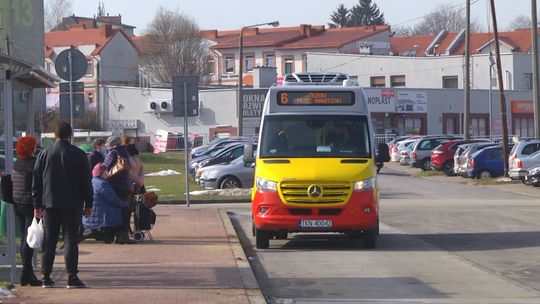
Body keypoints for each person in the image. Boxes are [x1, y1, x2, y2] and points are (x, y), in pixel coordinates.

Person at [33, 122, 93, 288]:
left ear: (55, 135)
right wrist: (89, 203)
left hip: (49, 203)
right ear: (70, 135)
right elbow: (86, 182)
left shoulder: (44, 154)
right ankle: (72, 277)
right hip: (72, 203)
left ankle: (45, 276)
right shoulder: (79, 154)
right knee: (70, 240)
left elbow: (36, 181)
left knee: (49, 241)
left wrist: (37, 204)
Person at [12, 136, 41, 286]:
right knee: (29, 240)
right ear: (31, 148)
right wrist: (38, 206)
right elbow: (35, 187)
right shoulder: (33, 164)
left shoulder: (16, 164)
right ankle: (26, 273)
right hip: (30, 205)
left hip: (17, 204)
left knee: (24, 238)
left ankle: (27, 273)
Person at [82, 163, 128, 243]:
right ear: (101, 173)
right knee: (124, 209)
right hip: (102, 214)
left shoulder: (93, 181)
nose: (108, 172)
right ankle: (122, 236)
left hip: (94, 212)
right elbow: (112, 199)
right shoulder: (102, 184)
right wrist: (124, 204)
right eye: (106, 171)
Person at [103, 136, 135, 244]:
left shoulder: (112, 153)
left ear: (110, 144)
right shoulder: (124, 151)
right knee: (124, 210)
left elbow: (105, 167)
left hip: (115, 185)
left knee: (117, 211)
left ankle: (118, 235)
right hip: (126, 185)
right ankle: (124, 234)